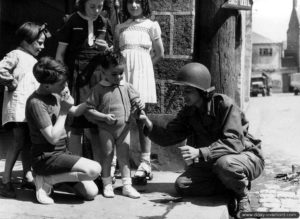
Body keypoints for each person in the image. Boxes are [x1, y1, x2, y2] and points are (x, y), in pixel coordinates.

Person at [138, 63, 265, 218]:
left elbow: (234, 143)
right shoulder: (189, 112)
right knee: (183, 185)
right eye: (183, 91)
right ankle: (231, 186)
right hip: (214, 162)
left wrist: (199, 152)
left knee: (226, 165)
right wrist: (149, 126)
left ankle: (242, 195)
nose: (184, 95)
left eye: (188, 91)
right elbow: (169, 135)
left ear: (202, 91)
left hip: (244, 157)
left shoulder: (224, 105)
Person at [25, 57, 101, 204]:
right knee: (94, 170)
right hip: (46, 157)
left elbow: (76, 111)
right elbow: (52, 138)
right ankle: (45, 179)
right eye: (61, 83)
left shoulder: (55, 94)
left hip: (61, 154)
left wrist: (91, 100)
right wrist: (64, 111)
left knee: (92, 192)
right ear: (47, 85)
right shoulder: (36, 103)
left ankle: (55, 180)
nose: (66, 85)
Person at [114, 0, 164, 184]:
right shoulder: (120, 27)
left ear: (144, 4)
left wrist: (144, 68)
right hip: (123, 74)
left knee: (141, 117)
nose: (134, 5)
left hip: (142, 74)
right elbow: (116, 53)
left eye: (138, 1)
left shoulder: (151, 26)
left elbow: (159, 53)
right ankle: (120, 162)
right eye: (130, 2)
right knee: (121, 117)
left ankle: (145, 163)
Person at [55, 0, 113, 156]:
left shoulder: (104, 21)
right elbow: (60, 54)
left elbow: (112, 54)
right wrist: (63, 81)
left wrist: (106, 49)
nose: (96, 10)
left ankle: (99, 171)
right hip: (76, 75)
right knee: (76, 126)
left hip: (97, 76)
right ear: (83, 4)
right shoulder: (72, 20)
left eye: (100, 6)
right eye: (92, 6)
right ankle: (76, 168)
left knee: (97, 125)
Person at [0, 22, 50, 198]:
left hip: (29, 111)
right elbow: (0, 70)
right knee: (18, 142)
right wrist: (11, 81)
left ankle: (27, 176)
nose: (42, 47)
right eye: (39, 43)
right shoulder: (16, 55)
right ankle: (6, 180)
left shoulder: (34, 61)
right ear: (25, 41)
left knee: (29, 144)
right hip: (17, 108)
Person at [84, 51, 143, 198]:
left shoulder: (126, 86)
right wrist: (103, 117)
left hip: (125, 129)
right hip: (106, 129)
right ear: (103, 72)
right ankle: (107, 184)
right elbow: (88, 109)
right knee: (107, 156)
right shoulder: (98, 89)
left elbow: (137, 101)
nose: (118, 77)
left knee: (124, 157)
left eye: (121, 73)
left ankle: (127, 186)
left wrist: (140, 103)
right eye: (114, 74)